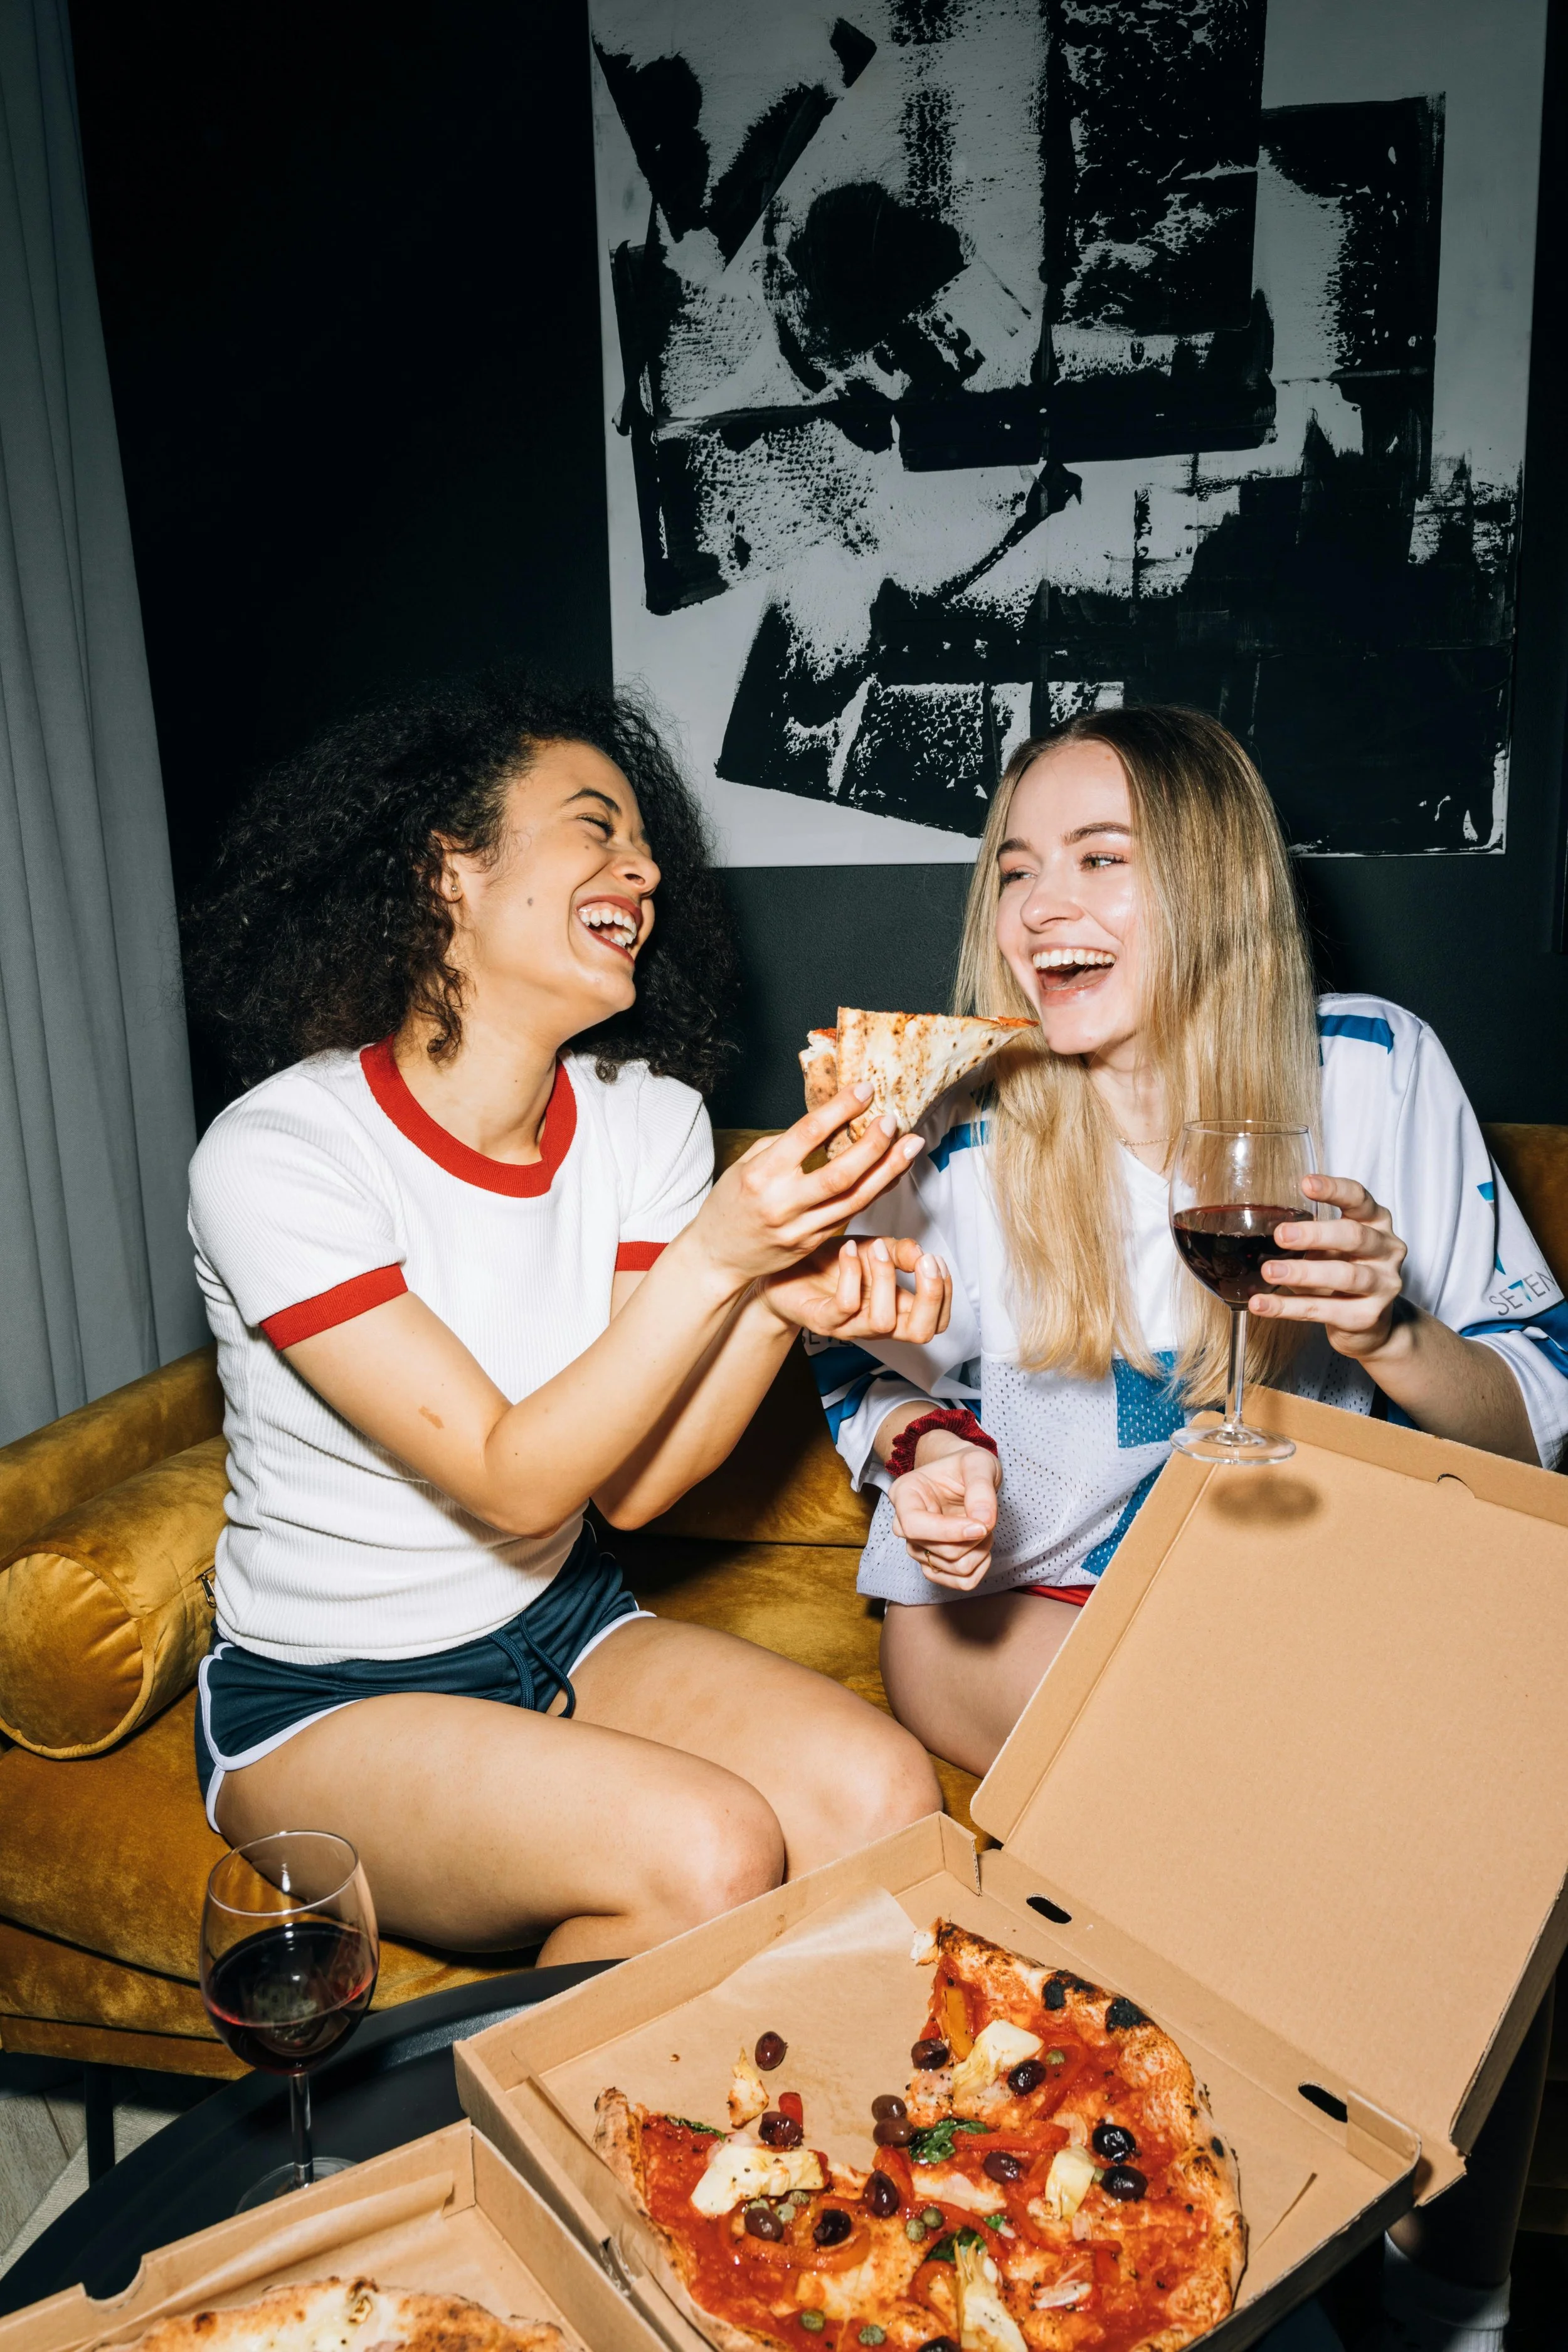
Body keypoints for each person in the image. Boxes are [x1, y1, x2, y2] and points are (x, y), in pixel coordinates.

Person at [808, 704, 1566, 2352]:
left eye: (1098, 859)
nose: (1037, 907)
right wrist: (923, 1437)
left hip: (1311, 1595)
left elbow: (1539, 1398)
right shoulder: (960, 1109)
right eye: (1014, 869)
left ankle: (1448, 2296)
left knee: (1516, 1801)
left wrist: (1388, 1334)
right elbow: (850, 1365)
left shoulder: (1367, 1067)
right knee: (1283, 1770)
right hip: (1016, 1610)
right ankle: (1221, 2270)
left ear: (1215, 881)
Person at [183, 670, 951, 1966]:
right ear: (450, 874)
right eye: (595, 827)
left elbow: (636, 1492)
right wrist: (721, 1258)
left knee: (885, 1799)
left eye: (649, 851)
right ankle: (523, 2165)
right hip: (324, 1698)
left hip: (565, 1625)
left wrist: (770, 1307)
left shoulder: (646, 1121)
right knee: (706, 1854)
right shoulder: (281, 1153)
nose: (642, 872)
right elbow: (512, 1482)